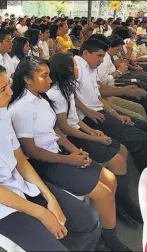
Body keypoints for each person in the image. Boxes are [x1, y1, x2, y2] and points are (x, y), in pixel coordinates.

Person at [0, 62, 101, 251]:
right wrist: (41, 213)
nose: (11, 93)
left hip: (20, 185)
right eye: (3, 89)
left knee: (90, 221)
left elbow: (20, 160)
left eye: (9, 85)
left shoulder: (1, 114)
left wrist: (49, 198)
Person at [8, 56, 131, 251]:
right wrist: (68, 159)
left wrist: (75, 151)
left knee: (110, 179)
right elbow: (31, 151)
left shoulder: (42, 98)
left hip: (59, 153)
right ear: (27, 80)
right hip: (44, 164)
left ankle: (107, 231)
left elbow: (55, 131)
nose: (50, 80)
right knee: (103, 194)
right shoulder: (20, 109)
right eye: (44, 76)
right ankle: (108, 241)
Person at [48, 53, 142, 224]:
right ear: (67, 69)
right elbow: (65, 127)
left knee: (122, 150)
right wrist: (93, 137)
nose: (78, 68)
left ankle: (122, 199)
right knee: (118, 161)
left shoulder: (68, 86)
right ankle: (123, 204)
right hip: (71, 138)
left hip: (79, 130)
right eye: (74, 66)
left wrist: (92, 131)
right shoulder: (55, 94)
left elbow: (75, 118)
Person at [74, 38, 147, 173]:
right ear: (85, 53)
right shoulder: (76, 66)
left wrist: (116, 114)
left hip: (101, 110)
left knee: (142, 126)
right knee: (140, 138)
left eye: (103, 56)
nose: (101, 60)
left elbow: (98, 96)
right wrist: (88, 111)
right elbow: (70, 96)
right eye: (99, 56)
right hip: (90, 117)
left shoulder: (91, 68)